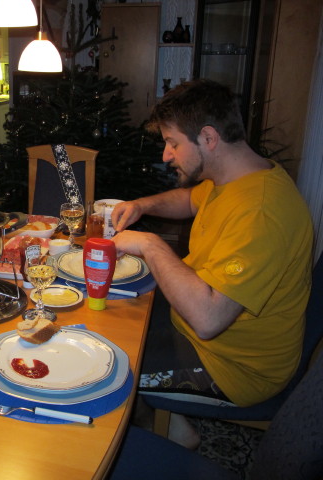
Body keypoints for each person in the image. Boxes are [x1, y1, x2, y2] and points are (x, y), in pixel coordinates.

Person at [111, 79, 313, 446]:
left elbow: (208, 320)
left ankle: (161, 439)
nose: (166, 155)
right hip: (198, 327)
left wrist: (152, 245)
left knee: (112, 369)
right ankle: (174, 424)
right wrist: (144, 205)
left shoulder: (261, 212)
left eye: (173, 143)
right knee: (114, 320)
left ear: (208, 137)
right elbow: (190, 200)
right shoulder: (237, 176)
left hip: (234, 367)